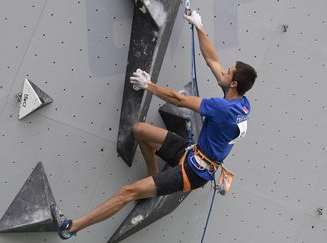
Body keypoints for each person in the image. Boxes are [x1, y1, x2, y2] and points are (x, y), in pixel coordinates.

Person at [52, 10, 257, 240]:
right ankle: (153, 175)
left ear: (234, 83)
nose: (223, 72)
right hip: (192, 154)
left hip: (192, 172)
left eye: (228, 73)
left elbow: (180, 100)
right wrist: (199, 26)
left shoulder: (224, 109)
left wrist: (149, 85)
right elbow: (212, 60)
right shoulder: (241, 102)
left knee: (127, 192)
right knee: (140, 130)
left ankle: (70, 228)